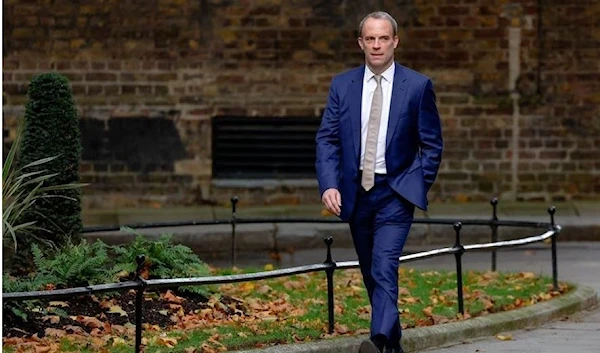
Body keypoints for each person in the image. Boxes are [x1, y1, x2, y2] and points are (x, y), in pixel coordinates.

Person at [315, 11, 443, 353]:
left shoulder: (417, 86)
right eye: (369, 38)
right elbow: (327, 139)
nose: (376, 45)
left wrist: (416, 183)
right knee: (371, 271)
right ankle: (393, 347)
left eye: (383, 38)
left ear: (395, 41)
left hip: (394, 193)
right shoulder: (343, 85)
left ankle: (378, 340)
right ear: (360, 43)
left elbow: (431, 144)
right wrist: (329, 184)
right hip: (355, 193)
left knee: (385, 265)